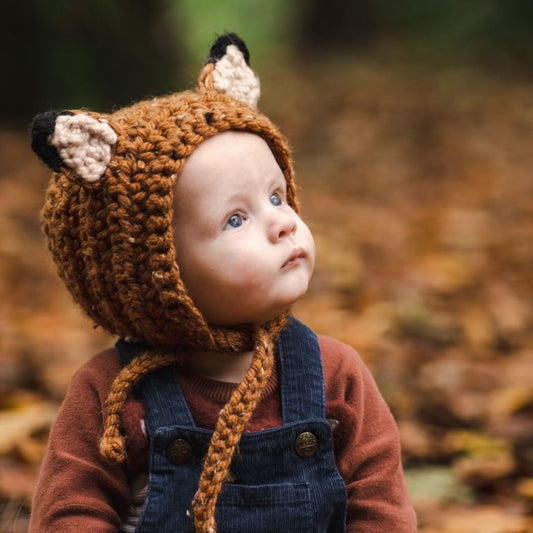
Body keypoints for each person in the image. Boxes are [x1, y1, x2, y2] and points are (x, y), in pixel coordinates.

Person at [29, 33, 417, 532]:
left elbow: (379, 505)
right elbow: (71, 513)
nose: (282, 223)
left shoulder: (334, 374)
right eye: (235, 219)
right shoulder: (112, 396)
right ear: (154, 272)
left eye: (278, 197)